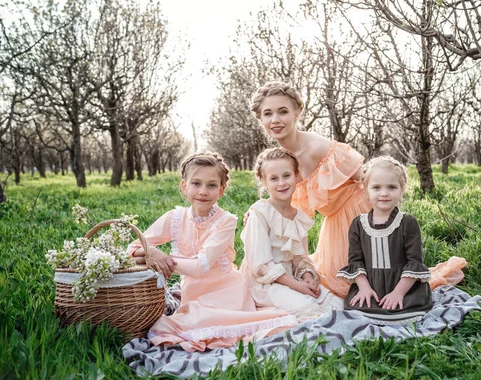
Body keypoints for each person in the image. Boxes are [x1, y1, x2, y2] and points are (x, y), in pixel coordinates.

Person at [127, 152, 297, 352]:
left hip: (227, 293)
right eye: (196, 183)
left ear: (221, 190)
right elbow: (132, 248)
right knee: (168, 326)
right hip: (193, 294)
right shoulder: (174, 218)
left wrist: (164, 259)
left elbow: (200, 267)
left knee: (176, 327)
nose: (203, 191)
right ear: (184, 186)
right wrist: (153, 252)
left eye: (212, 185)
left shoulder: (226, 221)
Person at [250, 81, 372, 297]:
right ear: (261, 119)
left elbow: (366, 178)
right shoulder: (283, 162)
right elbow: (287, 206)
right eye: (267, 114)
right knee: (328, 285)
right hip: (335, 223)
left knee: (348, 287)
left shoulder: (317, 147)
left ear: (297, 113)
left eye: (283, 112)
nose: (275, 120)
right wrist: (260, 209)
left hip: (360, 217)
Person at [239, 147, 343, 321]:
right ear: (264, 182)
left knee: (336, 305)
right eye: (274, 178)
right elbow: (261, 265)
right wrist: (297, 286)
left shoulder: (299, 217)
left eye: (286, 176)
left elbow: (300, 259)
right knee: (309, 309)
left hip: (292, 278)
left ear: (296, 176)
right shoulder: (259, 213)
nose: (281, 183)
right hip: (264, 284)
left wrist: (308, 277)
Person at [337, 156, 433, 324]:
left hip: (403, 287)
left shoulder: (407, 223)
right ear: (366, 190)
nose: (384, 193)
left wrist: (398, 293)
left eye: (391, 187)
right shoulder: (358, 224)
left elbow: (414, 261)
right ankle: (369, 295)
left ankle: (399, 298)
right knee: (358, 309)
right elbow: (355, 260)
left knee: (407, 310)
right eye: (376, 187)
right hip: (371, 285)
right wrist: (365, 288)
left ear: (402, 189)